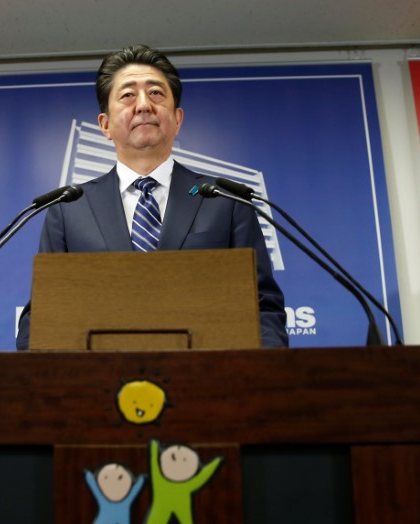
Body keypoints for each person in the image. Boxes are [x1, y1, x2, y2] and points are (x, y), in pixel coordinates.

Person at [16, 44, 287, 349]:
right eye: (128, 95)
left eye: (156, 93)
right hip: (98, 386)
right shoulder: (68, 209)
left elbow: (263, 308)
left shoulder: (226, 201)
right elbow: (41, 316)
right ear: (105, 125)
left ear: (177, 118)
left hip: (210, 384)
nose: (144, 105)